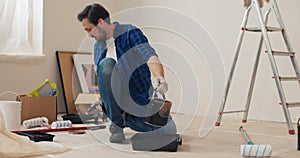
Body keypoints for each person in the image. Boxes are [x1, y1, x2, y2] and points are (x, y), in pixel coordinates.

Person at [77, 3, 177, 143]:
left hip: (138, 100)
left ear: (100, 22)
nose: (88, 35)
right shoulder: (98, 47)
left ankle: (128, 120)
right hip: (116, 103)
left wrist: (159, 77)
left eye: (89, 29)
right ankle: (117, 124)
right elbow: (102, 77)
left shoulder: (129, 33)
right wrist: (102, 96)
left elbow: (149, 56)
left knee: (169, 131)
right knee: (106, 65)